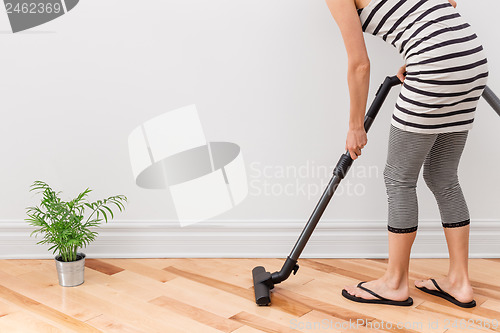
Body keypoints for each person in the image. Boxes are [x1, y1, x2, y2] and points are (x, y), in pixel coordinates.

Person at [325, 0, 488, 307]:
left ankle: (394, 282)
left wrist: (355, 126)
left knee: (398, 179)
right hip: (472, 60)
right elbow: (448, 3)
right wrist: (423, 54)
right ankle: (460, 282)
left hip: (434, 64)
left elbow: (360, 63)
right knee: (443, 176)